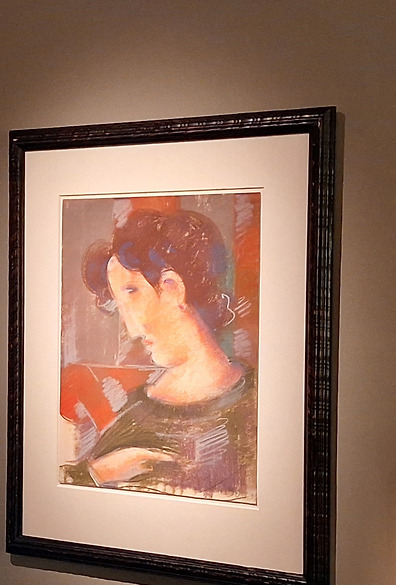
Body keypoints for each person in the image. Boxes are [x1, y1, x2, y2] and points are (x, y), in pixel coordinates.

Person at [61, 207, 256, 501]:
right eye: (119, 303)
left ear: (172, 287)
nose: (131, 328)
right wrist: (100, 473)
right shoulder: (137, 416)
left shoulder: (259, 407)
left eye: (132, 292)